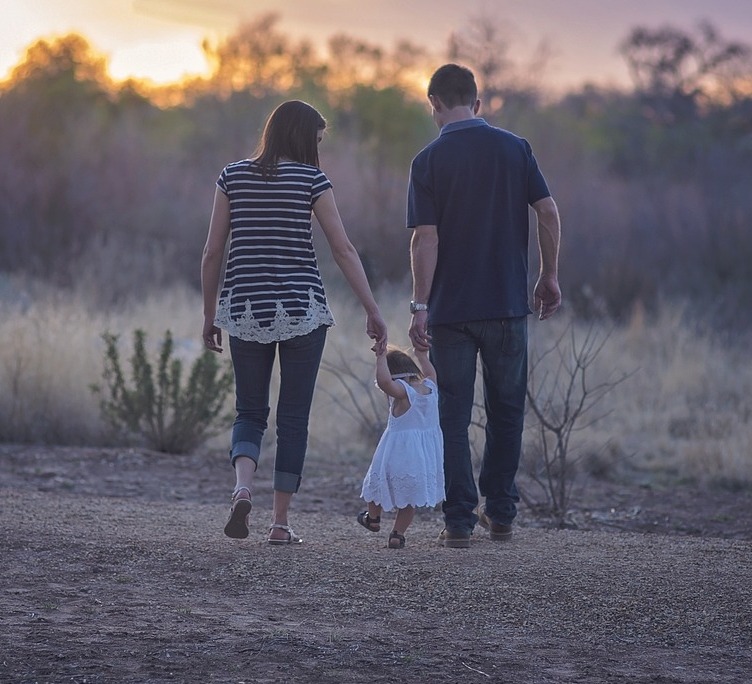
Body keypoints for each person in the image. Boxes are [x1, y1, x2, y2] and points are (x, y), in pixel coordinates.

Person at [201, 100, 387, 545]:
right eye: (317, 140)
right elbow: (342, 249)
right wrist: (372, 308)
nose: (318, 149)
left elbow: (212, 252)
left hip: (245, 309)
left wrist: (210, 316)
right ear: (304, 137)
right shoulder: (312, 180)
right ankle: (280, 524)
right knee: (293, 419)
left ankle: (243, 486)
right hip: (303, 310)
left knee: (249, 411)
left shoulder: (232, 176)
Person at [406, 64, 561, 548]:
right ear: (477, 102)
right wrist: (548, 275)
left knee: (452, 414)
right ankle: (502, 512)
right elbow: (549, 211)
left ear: (433, 103)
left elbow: (423, 240)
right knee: (507, 409)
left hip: (451, 312)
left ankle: (457, 522)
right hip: (508, 306)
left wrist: (419, 305)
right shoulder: (515, 149)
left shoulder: (427, 161)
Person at [358, 345, 444, 549]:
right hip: (422, 457)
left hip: (397, 453)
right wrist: (422, 355)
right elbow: (430, 372)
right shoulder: (431, 387)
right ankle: (397, 534)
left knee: (376, 484)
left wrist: (380, 358)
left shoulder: (403, 392)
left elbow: (384, 382)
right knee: (409, 498)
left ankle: (373, 518)